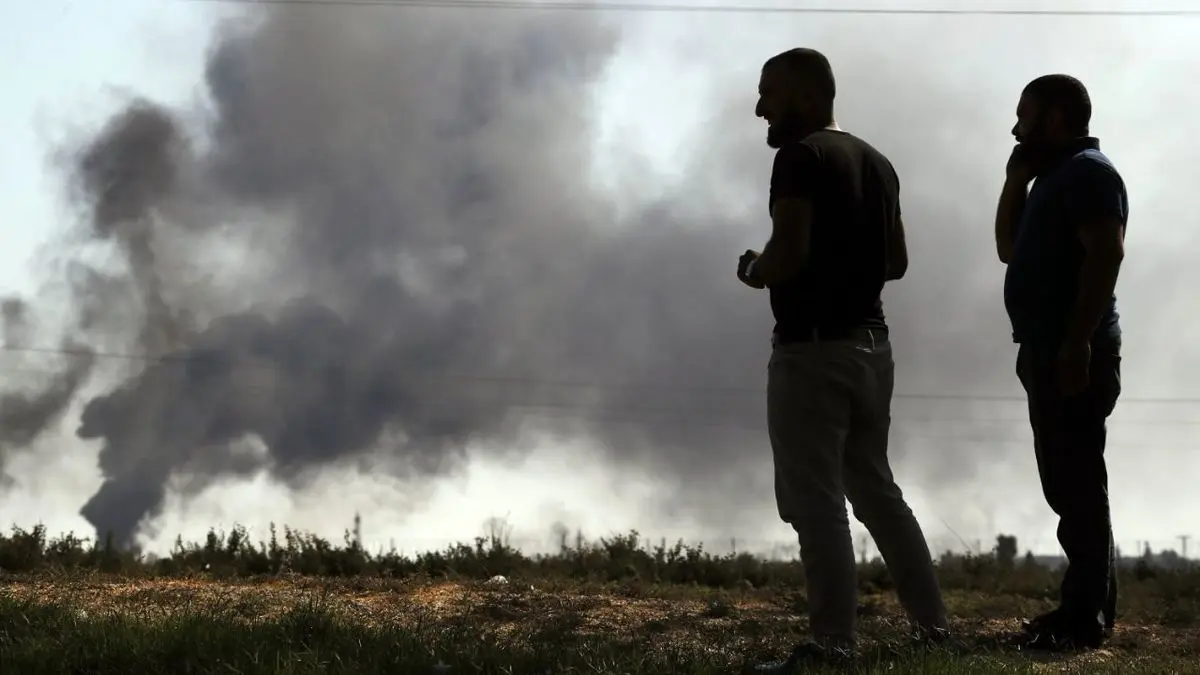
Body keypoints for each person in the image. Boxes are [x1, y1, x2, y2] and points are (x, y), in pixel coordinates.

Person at [737, 47, 948, 669]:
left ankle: (832, 644)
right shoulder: (877, 162)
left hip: (812, 353)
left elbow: (788, 254)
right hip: (872, 348)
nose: (759, 109)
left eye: (768, 95)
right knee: (878, 492)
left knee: (815, 503)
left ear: (804, 96)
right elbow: (898, 263)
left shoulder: (798, 159)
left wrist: (754, 269)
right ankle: (933, 629)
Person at [996, 74, 1128, 651]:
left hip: (1072, 351)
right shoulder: (1051, 179)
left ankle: (1083, 620)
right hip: (1048, 349)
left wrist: (1078, 342)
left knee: (1075, 481)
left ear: (1053, 120)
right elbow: (1007, 248)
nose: (1015, 127)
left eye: (1024, 116)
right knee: (1070, 479)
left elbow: (1107, 253)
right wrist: (1014, 181)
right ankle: (1086, 610)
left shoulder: (1089, 176)